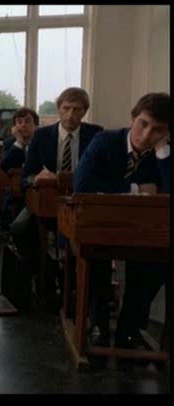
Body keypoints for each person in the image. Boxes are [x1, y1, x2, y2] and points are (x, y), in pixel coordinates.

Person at [73, 92, 169, 353]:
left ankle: (130, 329)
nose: (147, 135)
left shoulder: (164, 154)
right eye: (143, 124)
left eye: (158, 130)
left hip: (145, 231)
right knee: (96, 258)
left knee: (155, 263)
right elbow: (82, 184)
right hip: (98, 226)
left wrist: (163, 153)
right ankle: (99, 325)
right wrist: (138, 189)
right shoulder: (105, 141)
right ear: (132, 118)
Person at [12, 87, 103, 258]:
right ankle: (47, 270)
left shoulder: (96, 134)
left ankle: (78, 270)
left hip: (82, 201)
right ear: (58, 109)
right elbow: (25, 178)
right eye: (66, 108)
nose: (70, 115)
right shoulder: (41, 135)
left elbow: (102, 173)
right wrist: (37, 178)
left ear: (84, 112)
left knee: (86, 234)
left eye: (76, 109)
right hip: (47, 199)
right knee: (19, 228)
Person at [0, 107, 39, 231]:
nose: (23, 125)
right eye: (19, 122)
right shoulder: (9, 143)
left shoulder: (41, 141)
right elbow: (5, 165)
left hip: (37, 189)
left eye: (28, 121)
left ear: (36, 125)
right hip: (16, 190)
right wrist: (19, 142)